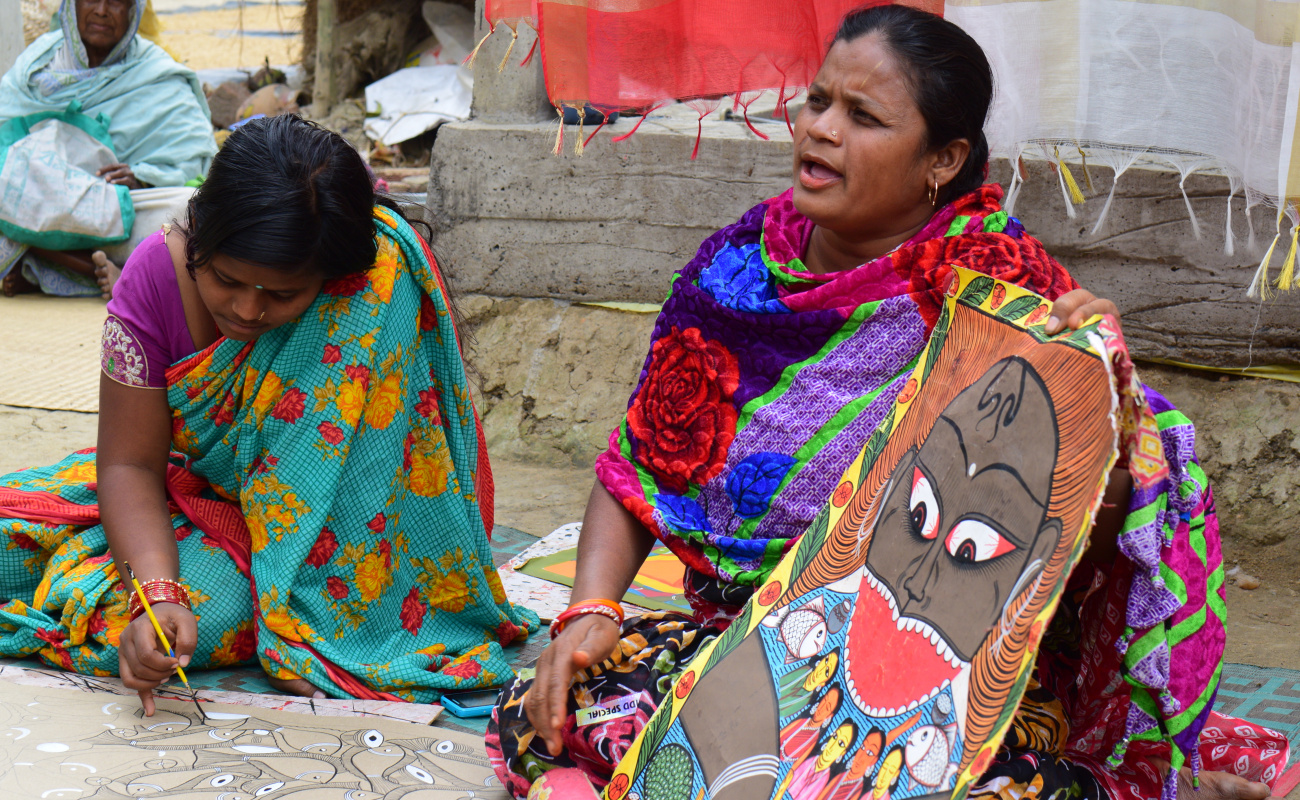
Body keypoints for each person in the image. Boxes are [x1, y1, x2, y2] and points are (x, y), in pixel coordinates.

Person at [487, 6, 1289, 800]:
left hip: (937, 670)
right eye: (819, 101)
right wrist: (591, 609)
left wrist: (1098, 394)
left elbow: (1073, 533)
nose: (820, 130)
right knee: (549, 705)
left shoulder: (1000, 295)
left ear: (942, 159)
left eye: (863, 116)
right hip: (745, 636)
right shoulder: (736, 270)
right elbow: (642, 463)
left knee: (938, 782)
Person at [0, 115, 539, 707]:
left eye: (283, 294)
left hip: (330, 546)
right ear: (199, 232)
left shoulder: (371, 290)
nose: (248, 311)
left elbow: (381, 483)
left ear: (330, 278)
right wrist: (154, 592)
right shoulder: (154, 278)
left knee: (191, 625)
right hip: (184, 495)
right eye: (227, 280)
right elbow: (129, 465)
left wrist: (273, 621)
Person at [0, 0, 216, 299]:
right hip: (39, 195)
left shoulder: (158, 73)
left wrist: (142, 178)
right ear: (71, 7)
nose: (101, 10)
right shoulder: (39, 62)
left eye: (115, 2)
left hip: (117, 207)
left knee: (191, 212)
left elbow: (194, 158)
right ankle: (100, 270)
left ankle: (42, 259)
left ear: (133, 12)